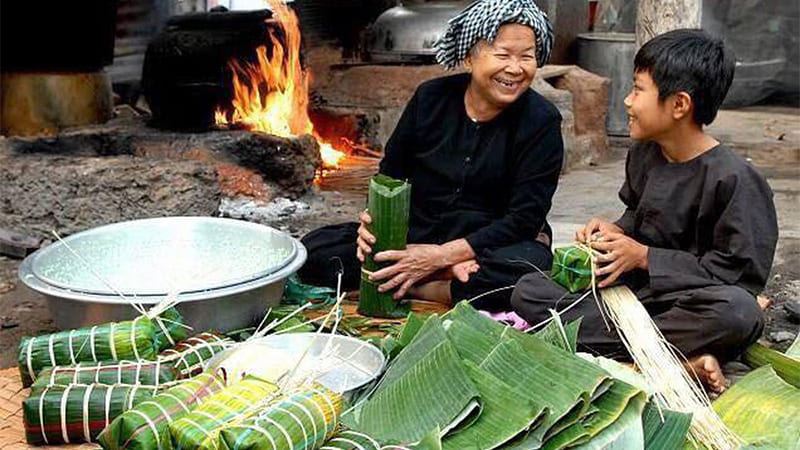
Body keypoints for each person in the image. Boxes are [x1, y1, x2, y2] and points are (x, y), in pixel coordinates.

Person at [511, 29, 778, 393]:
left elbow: (738, 278)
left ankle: (643, 356)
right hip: (638, 301)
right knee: (528, 290)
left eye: (638, 90)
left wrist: (646, 258)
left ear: (679, 105)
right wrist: (614, 234)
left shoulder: (735, 180)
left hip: (692, 303)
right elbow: (637, 217)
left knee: (738, 312)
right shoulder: (645, 153)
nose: (627, 101)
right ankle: (675, 359)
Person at [299, 0, 564, 310]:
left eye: (527, 57)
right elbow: (390, 175)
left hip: (486, 247)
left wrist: (441, 257)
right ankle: (442, 282)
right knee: (313, 251)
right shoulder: (431, 98)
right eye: (502, 55)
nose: (515, 68)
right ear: (469, 57)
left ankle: (427, 287)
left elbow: (524, 219)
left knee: (528, 271)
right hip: (414, 235)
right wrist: (373, 227)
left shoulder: (541, 121)